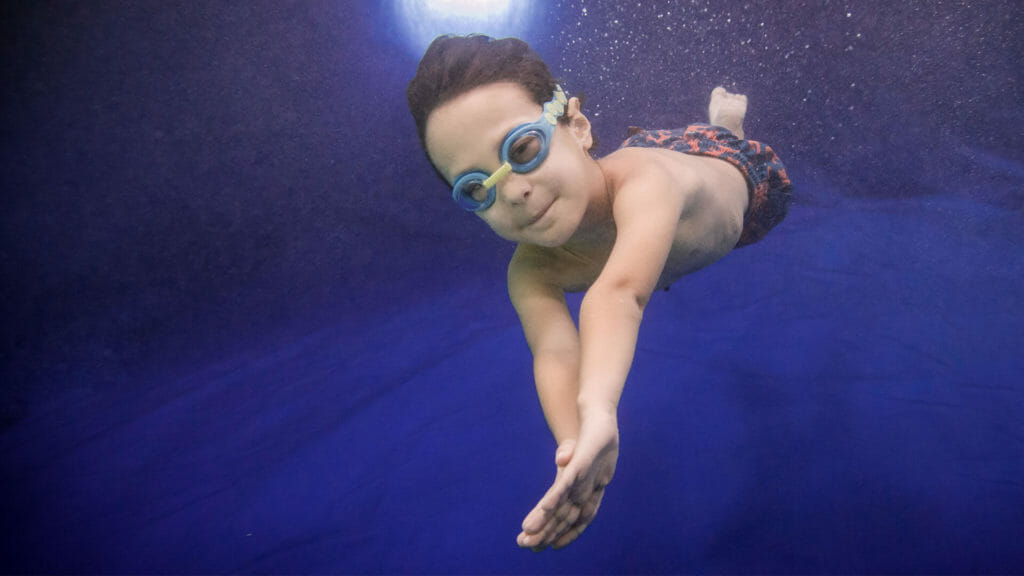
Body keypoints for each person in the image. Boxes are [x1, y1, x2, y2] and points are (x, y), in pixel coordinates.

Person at [406, 34, 792, 551]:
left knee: (692, 146)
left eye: (522, 149)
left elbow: (619, 293)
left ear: (578, 126)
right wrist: (578, 443)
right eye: (478, 187)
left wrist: (600, 405)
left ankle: (723, 124)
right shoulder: (530, 271)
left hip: (727, 172)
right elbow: (555, 349)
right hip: (642, 199)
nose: (513, 191)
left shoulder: (649, 184)